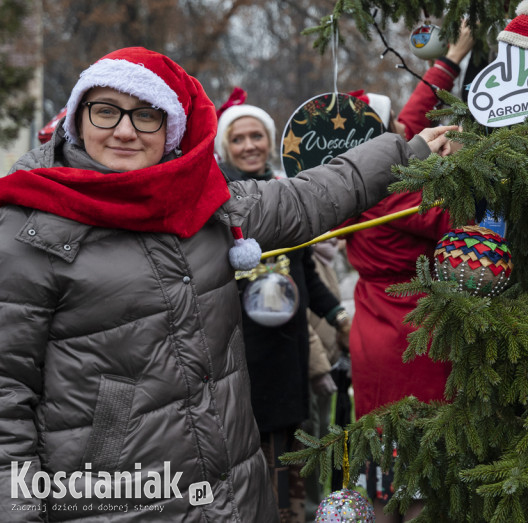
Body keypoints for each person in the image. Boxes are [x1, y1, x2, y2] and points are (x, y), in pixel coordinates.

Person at [0, 46, 456, 523]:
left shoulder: (208, 208)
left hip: (234, 495)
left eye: (146, 115)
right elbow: (7, 404)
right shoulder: (29, 231)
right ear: (78, 117)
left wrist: (411, 150)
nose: (125, 130)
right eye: (106, 111)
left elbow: (316, 195)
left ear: (171, 130)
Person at [346, 22, 473, 522]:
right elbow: (453, 217)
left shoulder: (353, 180)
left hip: (372, 329)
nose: (403, 133)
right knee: (416, 463)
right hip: (410, 337)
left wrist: (450, 61)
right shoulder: (393, 193)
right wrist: (463, 161)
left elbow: (409, 120)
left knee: (382, 449)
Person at [215, 103, 346, 523]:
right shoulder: (218, 201)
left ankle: (293, 514)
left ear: (271, 141)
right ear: (224, 147)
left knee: (291, 446)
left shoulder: (286, 193)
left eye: (257, 136)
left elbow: (306, 269)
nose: (249, 145)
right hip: (242, 355)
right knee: (253, 453)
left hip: (289, 354)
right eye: (238, 138)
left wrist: (338, 314)